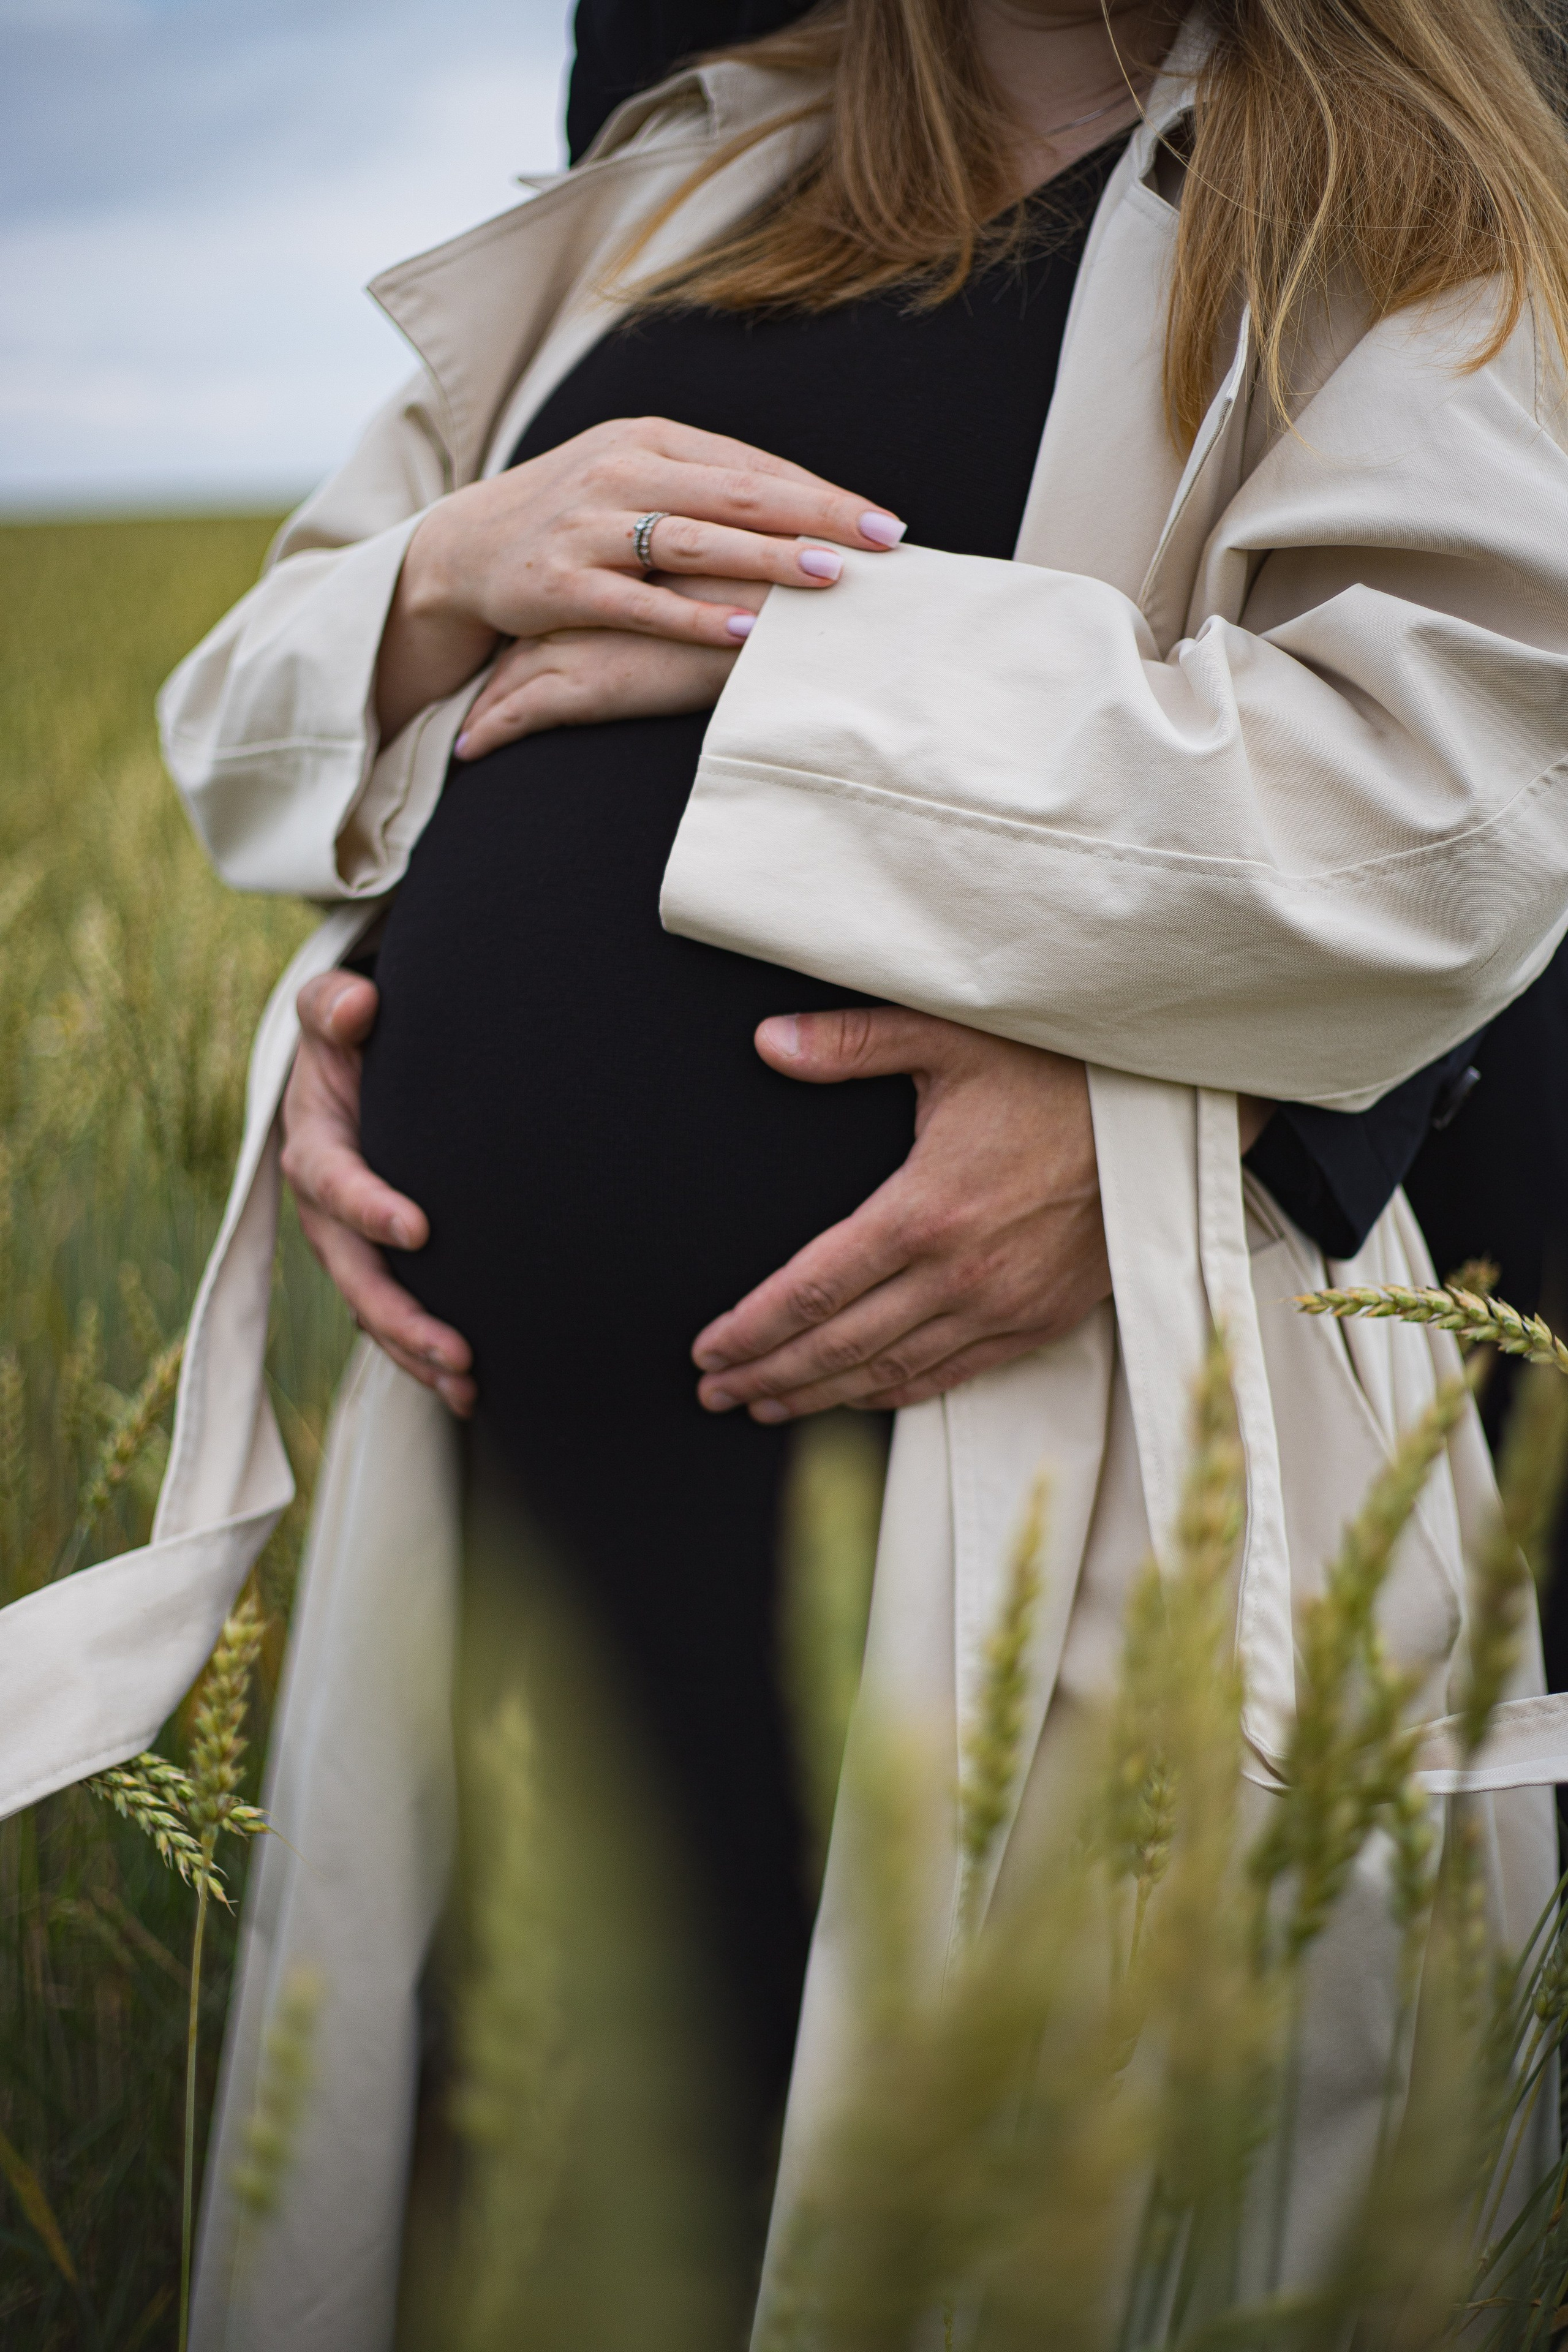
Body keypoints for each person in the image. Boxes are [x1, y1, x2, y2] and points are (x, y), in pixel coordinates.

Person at [14, 1, 1568, 2343]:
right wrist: (439, 630)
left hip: (1047, 1457)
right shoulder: (680, 182)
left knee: (946, 2196)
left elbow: (1442, 805)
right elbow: (259, 720)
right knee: (522, 2173)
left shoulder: (1408, 209)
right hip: (508, 1491)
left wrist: (792, 664)